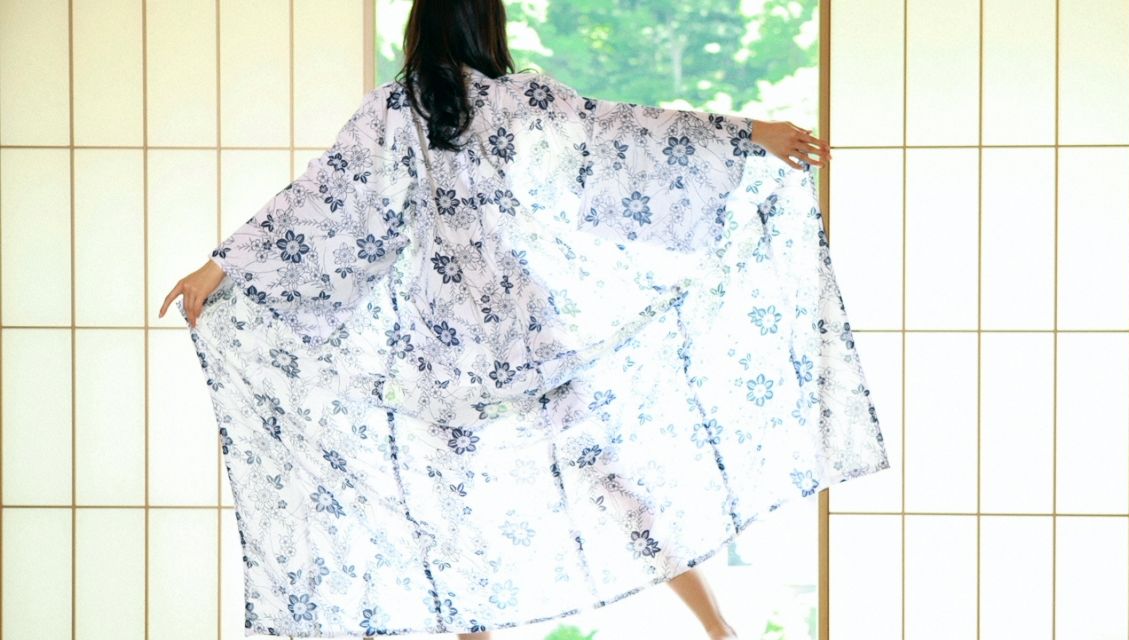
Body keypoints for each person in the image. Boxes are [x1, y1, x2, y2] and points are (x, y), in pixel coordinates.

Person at [158, 1, 884, 639]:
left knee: (456, 520)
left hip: (443, 345)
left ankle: (705, 630)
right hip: (528, 331)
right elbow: (624, 132)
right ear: (486, 22)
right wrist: (751, 132)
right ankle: (719, 628)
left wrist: (221, 267)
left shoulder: (395, 110)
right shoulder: (515, 99)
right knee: (615, 486)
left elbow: (321, 200)